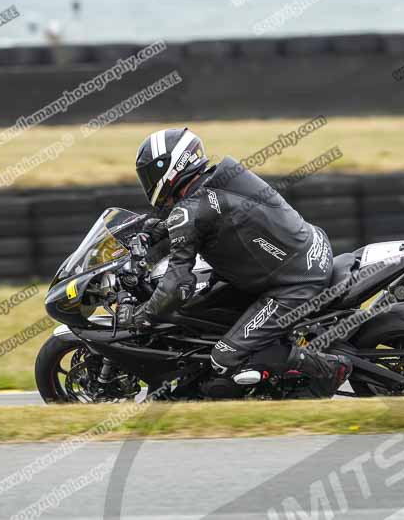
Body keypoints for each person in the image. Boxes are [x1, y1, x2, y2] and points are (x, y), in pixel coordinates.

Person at [116, 127, 352, 397]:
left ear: (168, 169)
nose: (147, 182)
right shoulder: (221, 176)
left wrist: (139, 317)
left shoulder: (191, 208)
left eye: (149, 174)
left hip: (295, 283)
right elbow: (201, 218)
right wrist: (150, 232)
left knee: (225, 357)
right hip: (308, 250)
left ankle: (330, 369)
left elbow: (178, 285)